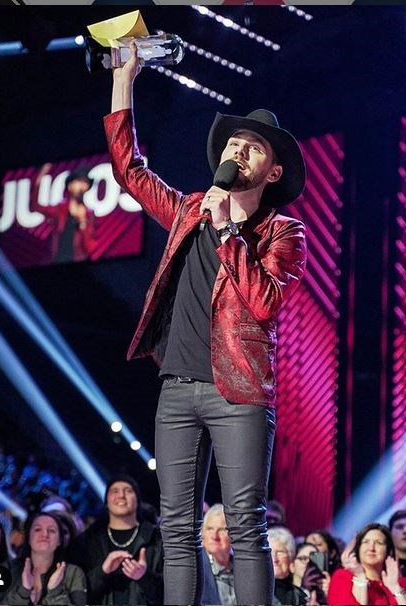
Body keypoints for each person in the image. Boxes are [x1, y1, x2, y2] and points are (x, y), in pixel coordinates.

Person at [104, 42, 307, 606]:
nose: (241, 151)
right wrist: (125, 78)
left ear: (275, 169)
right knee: (176, 525)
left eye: (255, 147)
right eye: (235, 143)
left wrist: (227, 234)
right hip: (176, 388)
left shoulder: (283, 234)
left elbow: (264, 302)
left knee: (244, 524)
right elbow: (128, 170)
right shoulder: (190, 210)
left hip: (238, 393)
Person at [68, 474, 163, 605]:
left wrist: (144, 577)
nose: (121, 496)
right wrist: (102, 572)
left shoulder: (157, 539)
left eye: (128, 491)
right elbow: (76, 595)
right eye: (115, 491)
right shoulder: (87, 541)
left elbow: (168, 594)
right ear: (106, 501)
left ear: (137, 500)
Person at [4, 512, 86, 606]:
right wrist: (23, 592)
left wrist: (55, 591)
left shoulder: (74, 573)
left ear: (59, 540)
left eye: (51, 530)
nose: (45, 534)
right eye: (38, 529)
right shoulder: (9, 569)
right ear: (28, 537)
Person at [328, 522, 406, 605]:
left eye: (379, 543)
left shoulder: (400, 583)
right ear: (358, 548)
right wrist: (360, 577)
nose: (371, 548)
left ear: (387, 551)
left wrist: (395, 587)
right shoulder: (343, 576)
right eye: (366, 542)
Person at [31, 164, 96, 263]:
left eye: (85, 182)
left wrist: (83, 223)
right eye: (79, 181)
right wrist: (40, 177)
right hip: (58, 261)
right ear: (70, 186)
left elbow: (89, 248)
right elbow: (36, 206)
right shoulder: (60, 209)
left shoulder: (88, 214)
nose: (82, 185)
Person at [201, 503, 236, 606]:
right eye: (210, 529)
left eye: (222, 529)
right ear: (202, 534)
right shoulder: (194, 568)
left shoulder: (243, 568)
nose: (214, 536)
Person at [268, 527, 307, 606]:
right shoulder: (254, 590)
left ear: (291, 557)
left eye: (280, 552)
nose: (274, 558)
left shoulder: (300, 596)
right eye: (269, 552)